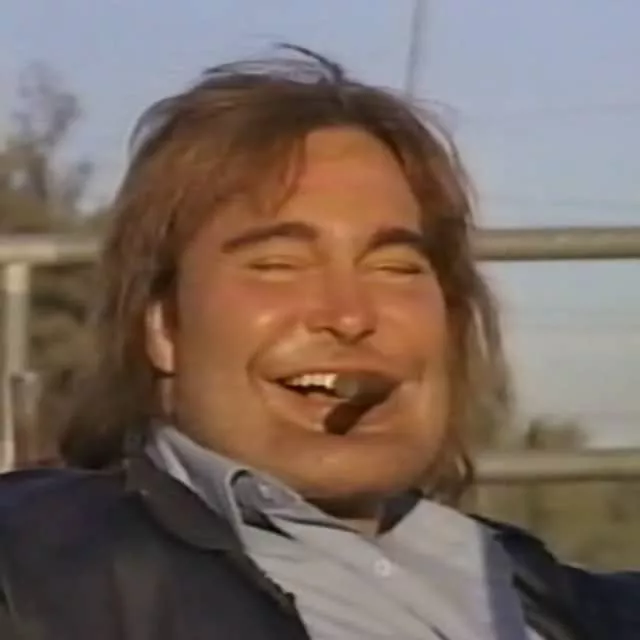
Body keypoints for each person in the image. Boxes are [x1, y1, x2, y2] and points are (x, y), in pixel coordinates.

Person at [0, 46, 637, 640]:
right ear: (162, 326)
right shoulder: (38, 570)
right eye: (278, 265)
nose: (350, 316)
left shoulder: (537, 589)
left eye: (396, 268)